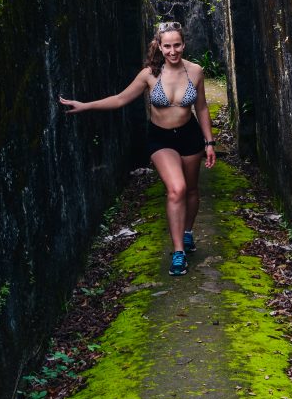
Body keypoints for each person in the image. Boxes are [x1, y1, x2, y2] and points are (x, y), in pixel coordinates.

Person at [58, 21, 217, 276]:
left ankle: (187, 232)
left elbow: (202, 108)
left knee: (191, 190)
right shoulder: (149, 74)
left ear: (184, 44)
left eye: (177, 45)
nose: (173, 51)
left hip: (190, 136)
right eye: (167, 46)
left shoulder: (196, 71)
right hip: (160, 138)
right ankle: (178, 252)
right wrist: (86, 105)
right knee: (177, 190)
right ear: (160, 46)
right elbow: (120, 99)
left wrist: (209, 143)